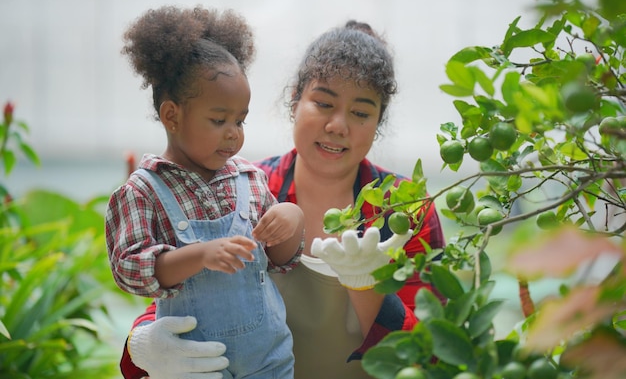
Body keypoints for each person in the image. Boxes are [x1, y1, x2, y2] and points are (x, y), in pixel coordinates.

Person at [119, 19, 445, 379]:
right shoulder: (245, 190)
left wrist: (368, 285)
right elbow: (183, 293)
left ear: (379, 121)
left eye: (361, 113)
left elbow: (432, 351)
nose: (338, 125)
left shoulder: (405, 209)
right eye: (323, 103)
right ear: (295, 100)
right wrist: (141, 345)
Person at [105, 5, 305, 379]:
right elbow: (130, 269)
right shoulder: (143, 191)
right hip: (193, 363)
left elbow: (280, 259)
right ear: (172, 115)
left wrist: (292, 221)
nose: (234, 132)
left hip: (269, 359)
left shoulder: (250, 179)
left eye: (240, 120)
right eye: (219, 120)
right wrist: (199, 255)